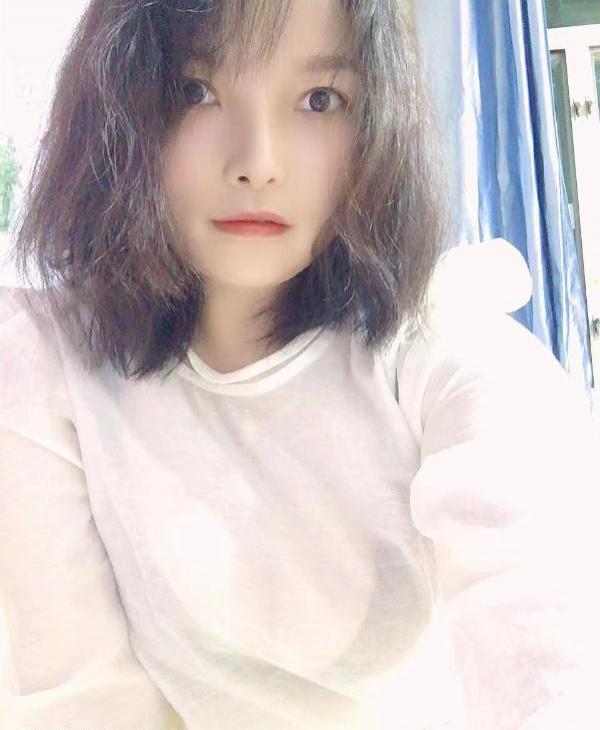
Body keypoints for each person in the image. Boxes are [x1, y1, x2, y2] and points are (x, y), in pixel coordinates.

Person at [1, 1, 598, 729]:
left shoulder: (448, 351)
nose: (258, 162)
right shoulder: (48, 361)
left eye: (320, 100)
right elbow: (81, 701)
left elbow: (552, 645)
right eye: (196, 91)